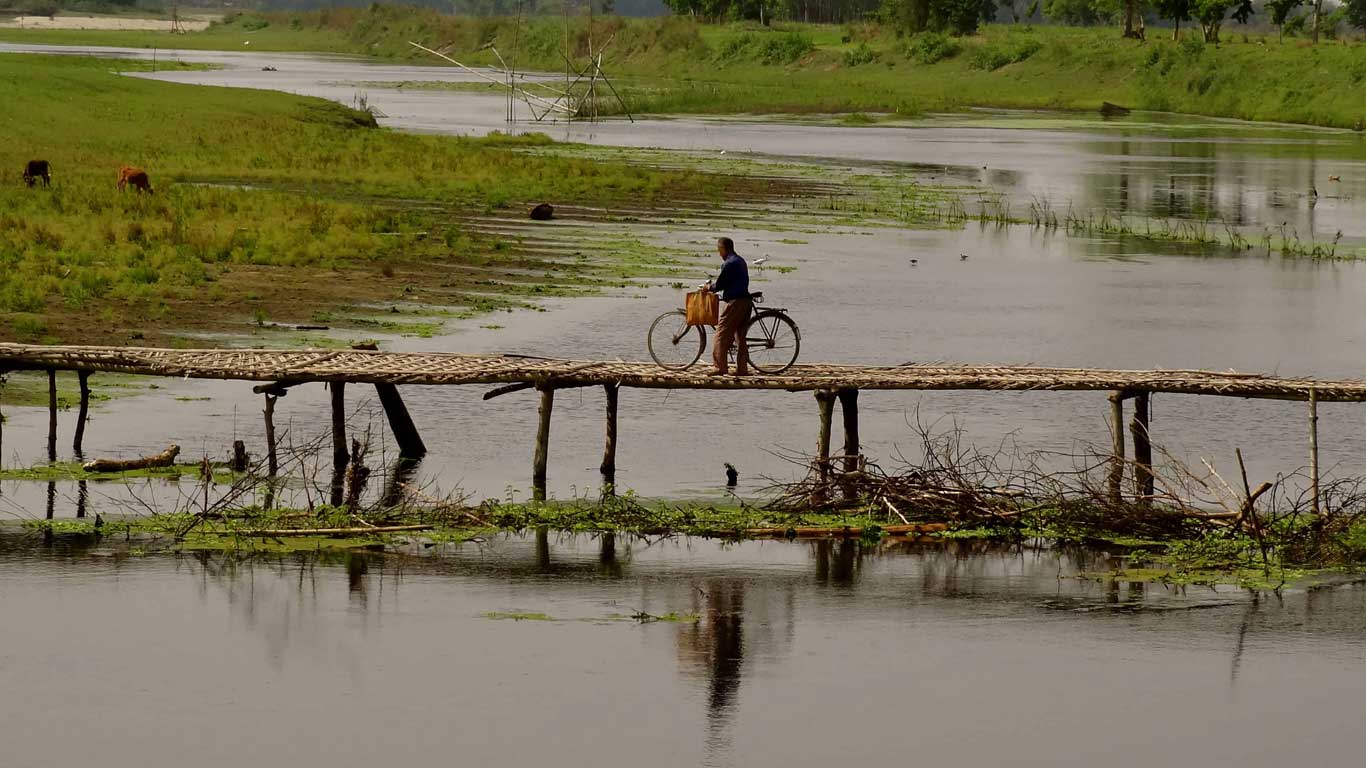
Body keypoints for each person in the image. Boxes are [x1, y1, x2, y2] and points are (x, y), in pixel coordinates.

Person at [707, 237, 750, 376]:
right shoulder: (740, 260)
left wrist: (709, 287)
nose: (719, 254)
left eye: (719, 250)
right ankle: (742, 369)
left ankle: (720, 367)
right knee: (740, 336)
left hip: (735, 302)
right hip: (746, 301)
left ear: (724, 249)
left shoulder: (729, 263)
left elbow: (720, 285)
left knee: (721, 333)